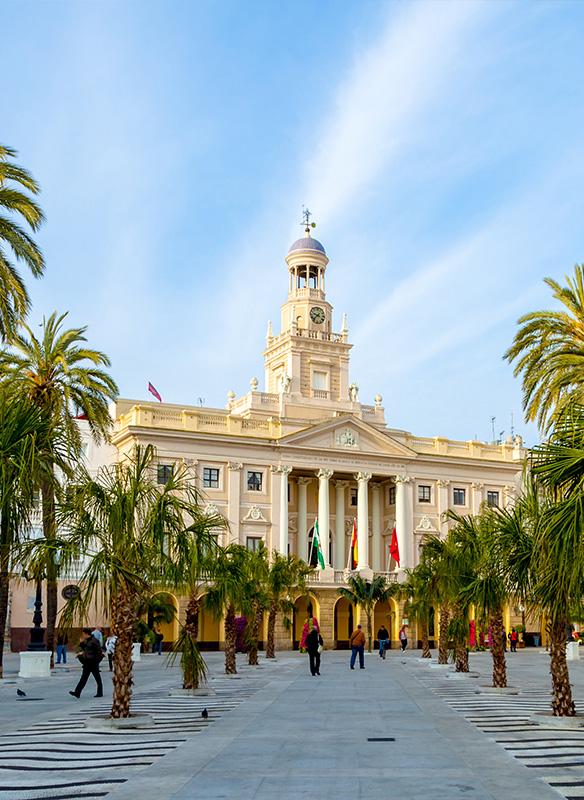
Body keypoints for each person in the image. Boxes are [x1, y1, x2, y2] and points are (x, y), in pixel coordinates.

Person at [69, 628, 104, 698]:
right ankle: (77, 692)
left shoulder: (94, 641)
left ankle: (99, 692)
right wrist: (82, 643)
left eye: (83, 634)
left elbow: (99, 651)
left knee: (97, 677)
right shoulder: (88, 641)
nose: (82, 636)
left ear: (86, 634)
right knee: (84, 678)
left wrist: (96, 660)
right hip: (88, 661)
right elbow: (86, 649)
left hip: (92, 661)